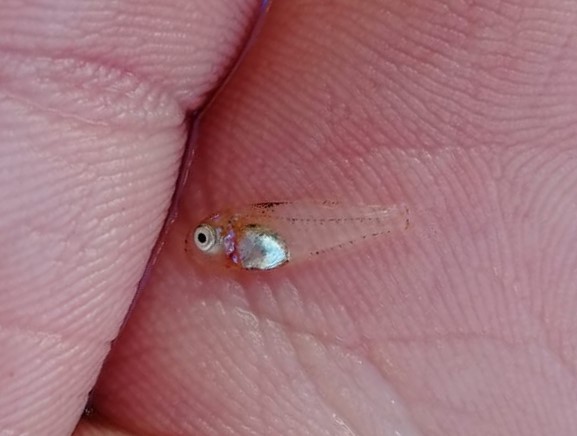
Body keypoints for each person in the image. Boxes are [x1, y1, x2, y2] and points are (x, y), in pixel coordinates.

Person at [2, 0, 576, 434]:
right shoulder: (234, 236)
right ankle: (389, 221)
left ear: (220, 234)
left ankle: (391, 220)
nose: (201, 242)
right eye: (202, 239)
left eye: (204, 237)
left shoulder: (234, 230)